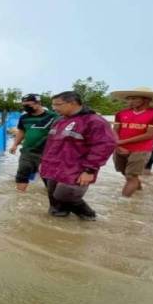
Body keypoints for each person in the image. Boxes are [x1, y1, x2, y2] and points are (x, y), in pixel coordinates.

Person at [40, 91, 116, 221]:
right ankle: (55, 230)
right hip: (52, 167)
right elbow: (51, 145)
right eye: (53, 105)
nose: (54, 108)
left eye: (58, 104)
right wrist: (43, 163)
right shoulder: (59, 120)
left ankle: (89, 217)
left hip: (76, 169)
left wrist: (90, 170)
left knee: (65, 196)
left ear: (72, 103)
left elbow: (104, 146)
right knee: (55, 203)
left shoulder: (95, 121)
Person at [110, 88, 153, 197]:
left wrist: (121, 142)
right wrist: (117, 144)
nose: (130, 101)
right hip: (120, 147)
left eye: (134, 98)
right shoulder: (121, 113)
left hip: (141, 149)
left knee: (131, 176)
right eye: (128, 99)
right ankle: (139, 194)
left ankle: (123, 202)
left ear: (146, 100)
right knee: (125, 173)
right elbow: (115, 130)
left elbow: (150, 134)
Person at [9, 94, 58, 192]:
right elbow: (21, 131)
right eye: (24, 105)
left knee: (48, 177)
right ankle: (20, 196)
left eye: (28, 105)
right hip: (27, 151)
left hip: (47, 153)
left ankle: (49, 197)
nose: (26, 107)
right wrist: (15, 144)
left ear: (38, 103)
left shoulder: (53, 117)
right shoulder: (24, 118)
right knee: (22, 172)